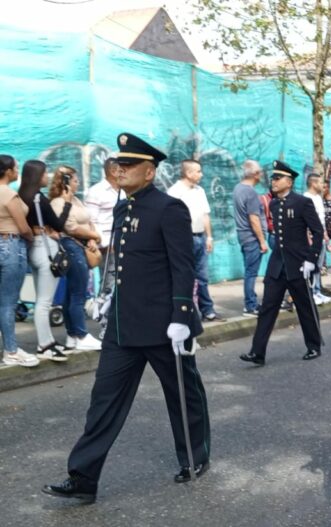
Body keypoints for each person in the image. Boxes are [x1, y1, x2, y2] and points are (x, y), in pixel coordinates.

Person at [42, 133, 209, 503]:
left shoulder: (170, 208)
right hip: (123, 324)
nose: (120, 169)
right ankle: (83, 477)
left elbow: (184, 267)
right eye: (119, 163)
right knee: (103, 401)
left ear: (149, 172)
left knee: (183, 396)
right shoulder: (123, 208)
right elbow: (117, 261)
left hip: (165, 325)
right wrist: (105, 295)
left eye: (129, 164)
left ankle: (195, 458)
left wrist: (182, 313)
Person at [239, 161, 324, 365]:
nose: (273, 182)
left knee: (305, 307)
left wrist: (311, 260)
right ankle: (257, 352)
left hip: (299, 265)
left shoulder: (302, 203)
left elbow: (318, 232)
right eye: (273, 178)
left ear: (289, 181)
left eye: (278, 178)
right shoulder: (274, 204)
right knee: (268, 307)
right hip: (277, 265)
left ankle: (314, 346)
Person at [19, 160, 72, 361]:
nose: (47, 176)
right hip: (45, 249)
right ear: (37, 176)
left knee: (41, 299)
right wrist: (66, 203)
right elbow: (58, 225)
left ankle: (48, 341)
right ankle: (44, 345)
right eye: (44, 173)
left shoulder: (22, 196)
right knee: (44, 302)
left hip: (32, 249)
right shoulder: (38, 199)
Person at [50, 166, 104, 352]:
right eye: (74, 180)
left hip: (83, 245)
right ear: (65, 183)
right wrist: (94, 236)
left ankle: (73, 335)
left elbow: (87, 221)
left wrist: (91, 238)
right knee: (77, 294)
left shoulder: (77, 200)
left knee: (72, 293)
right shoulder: (58, 203)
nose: (77, 182)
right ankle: (80, 334)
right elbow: (70, 227)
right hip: (72, 246)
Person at [167, 160, 221, 322]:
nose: (201, 174)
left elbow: (205, 215)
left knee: (203, 276)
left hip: (200, 238)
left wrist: (209, 236)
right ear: (188, 173)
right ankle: (189, 312)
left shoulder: (199, 190)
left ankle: (207, 309)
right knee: (185, 277)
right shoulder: (174, 192)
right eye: (198, 171)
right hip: (184, 240)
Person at [0, 155, 38, 367]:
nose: (17, 171)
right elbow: (23, 227)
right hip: (11, 245)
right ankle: (11, 350)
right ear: (7, 171)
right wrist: (32, 238)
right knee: (7, 302)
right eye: (15, 168)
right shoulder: (9, 195)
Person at [233, 160, 269, 317]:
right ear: (255, 174)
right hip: (252, 238)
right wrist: (262, 240)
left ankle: (251, 303)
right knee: (251, 273)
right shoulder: (251, 193)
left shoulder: (237, 189)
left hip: (243, 236)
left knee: (249, 271)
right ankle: (250, 306)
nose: (261, 175)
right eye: (259, 172)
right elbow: (254, 219)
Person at [84, 158, 122, 296]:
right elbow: (91, 221)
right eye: (121, 169)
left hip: (123, 243)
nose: (124, 172)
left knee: (121, 282)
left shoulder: (123, 191)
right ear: (112, 171)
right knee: (109, 283)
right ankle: (104, 315)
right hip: (107, 246)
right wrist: (105, 243)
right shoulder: (96, 191)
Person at [303, 172, 330, 304]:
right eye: (319, 182)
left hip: (320, 235)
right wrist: (308, 237)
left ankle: (318, 291)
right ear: (313, 183)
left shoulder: (318, 198)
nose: (322, 185)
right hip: (312, 236)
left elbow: (321, 220)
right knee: (312, 264)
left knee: (319, 265)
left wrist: (325, 235)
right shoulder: (306, 198)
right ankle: (311, 292)